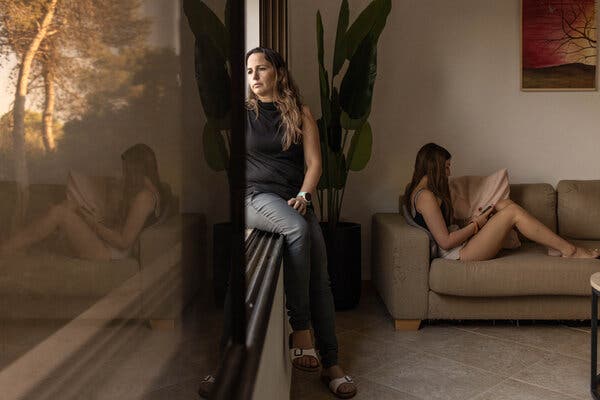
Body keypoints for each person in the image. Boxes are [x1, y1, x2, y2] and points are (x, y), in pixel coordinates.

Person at [244, 46, 355, 398]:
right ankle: (301, 329)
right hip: (254, 197)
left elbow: (315, 165)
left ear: (278, 71)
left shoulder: (300, 113)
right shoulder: (244, 114)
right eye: (250, 72)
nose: (255, 78)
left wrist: (305, 197)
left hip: (294, 200)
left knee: (320, 279)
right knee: (295, 228)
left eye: (261, 69)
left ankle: (332, 365)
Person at [404, 142, 600, 261]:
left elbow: (443, 227)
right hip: (458, 254)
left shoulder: (422, 192)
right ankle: (570, 250)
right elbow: (445, 242)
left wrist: (473, 220)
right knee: (512, 213)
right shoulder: (426, 197)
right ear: (435, 167)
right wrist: (475, 225)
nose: (449, 172)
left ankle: (556, 246)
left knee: (502, 205)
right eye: (446, 167)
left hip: (460, 245)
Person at [0, 143, 164, 261]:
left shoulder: (144, 197)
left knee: (60, 213)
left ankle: (7, 249)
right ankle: (16, 246)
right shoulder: (149, 192)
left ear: (137, 168)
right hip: (109, 245)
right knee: (64, 207)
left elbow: (123, 242)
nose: (124, 174)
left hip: (110, 252)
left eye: (126, 169)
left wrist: (92, 223)